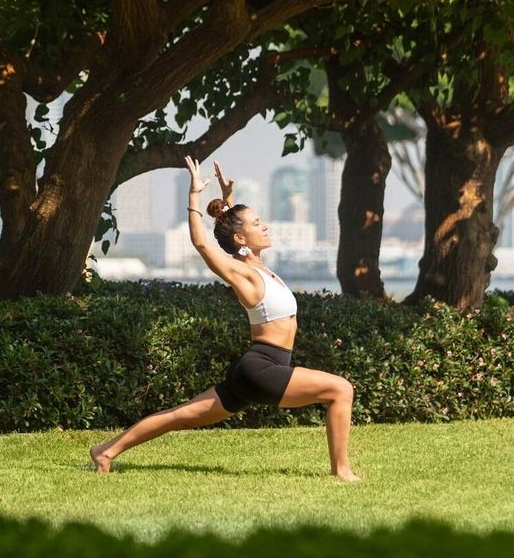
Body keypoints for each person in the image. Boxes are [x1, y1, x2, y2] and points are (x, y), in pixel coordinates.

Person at [89, 156, 360, 480]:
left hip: (254, 370)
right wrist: (194, 194)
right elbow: (202, 243)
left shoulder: (258, 268)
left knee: (179, 416)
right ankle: (342, 471)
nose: (264, 225)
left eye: (261, 220)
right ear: (241, 238)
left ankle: (105, 451)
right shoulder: (242, 273)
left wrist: (227, 198)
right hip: (262, 368)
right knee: (340, 389)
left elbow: (232, 233)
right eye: (257, 223)